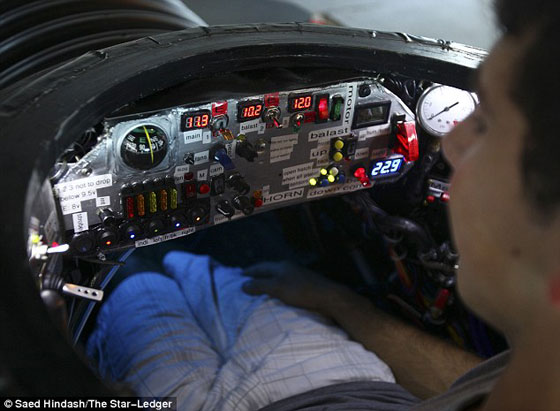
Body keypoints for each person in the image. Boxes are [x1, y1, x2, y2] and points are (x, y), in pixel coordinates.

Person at [86, 0, 560, 409]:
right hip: (349, 380)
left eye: (486, 124)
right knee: (199, 270)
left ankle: (136, 271)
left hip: (302, 383)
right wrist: (336, 302)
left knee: (133, 283)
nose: (451, 145)